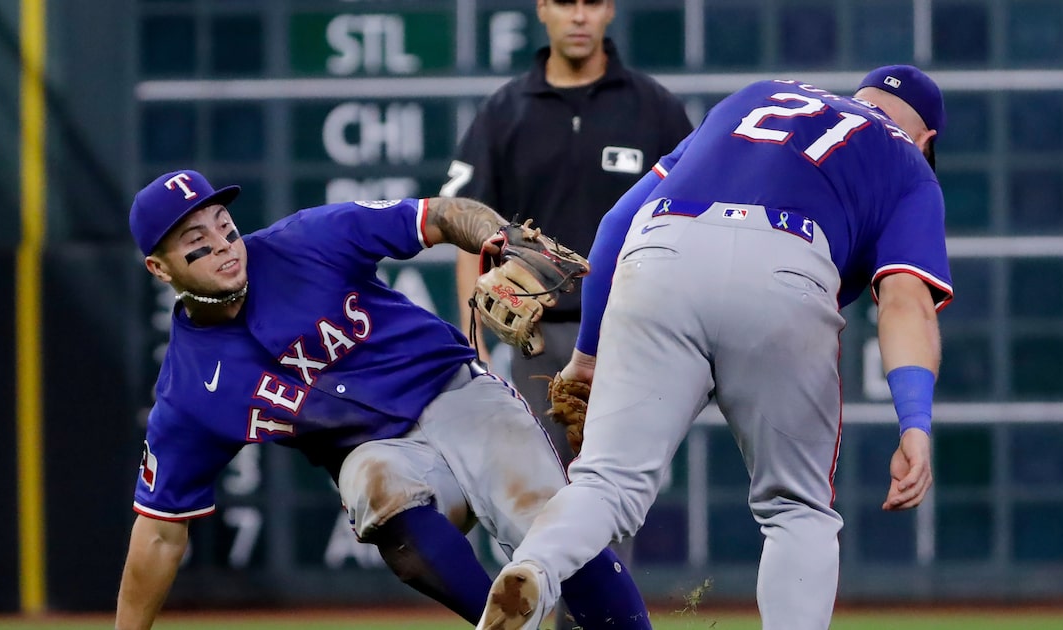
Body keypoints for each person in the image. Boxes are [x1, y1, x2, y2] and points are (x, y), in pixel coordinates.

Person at [476, 65, 953, 630]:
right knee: (795, 508)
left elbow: (615, 222)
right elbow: (905, 303)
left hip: (661, 251)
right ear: (929, 142)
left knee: (606, 481)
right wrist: (915, 424)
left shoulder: (756, 98)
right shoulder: (908, 164)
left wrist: (585, 359)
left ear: (857, 97)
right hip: (788, 263)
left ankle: (534, 567)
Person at [114, 170, 653, 630]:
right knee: (368, 479)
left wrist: (501, 238)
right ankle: (500, 622)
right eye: (196, 241)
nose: (224, 246)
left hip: (458, 398)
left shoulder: (305, 240)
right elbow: (160, 533)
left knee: (548, 527)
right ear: (159, 268)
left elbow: (441, 214)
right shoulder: (188, 392)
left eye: (224, 228)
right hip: (388, 453)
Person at [444, 0, 692, 463]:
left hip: (629, 332)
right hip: (538, 336)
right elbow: (465, 228)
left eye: (591, 3)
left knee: (616, 484)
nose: (578, 16)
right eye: (564, 3)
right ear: (542, 9)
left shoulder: (654, 109)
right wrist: (472, 344)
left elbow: (692, 226)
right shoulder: (504, 112)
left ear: (610, 10)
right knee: (542, 487)